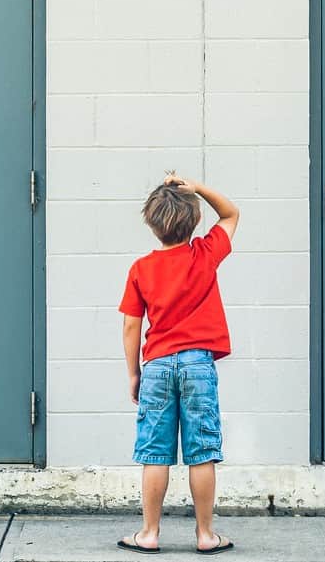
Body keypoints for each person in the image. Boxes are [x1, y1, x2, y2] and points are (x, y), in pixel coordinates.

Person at [116, 174, 240, 555]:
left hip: (156, 366)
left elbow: (131, 325)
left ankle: (149, 533)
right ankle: (205, 535)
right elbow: (231, 214)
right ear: (195, 220)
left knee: (155, 452)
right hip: (198, 365)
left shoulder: (141, 269)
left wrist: (134, 372)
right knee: (202, 451)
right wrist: (197, 188)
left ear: (151, 224)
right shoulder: (205, 254)